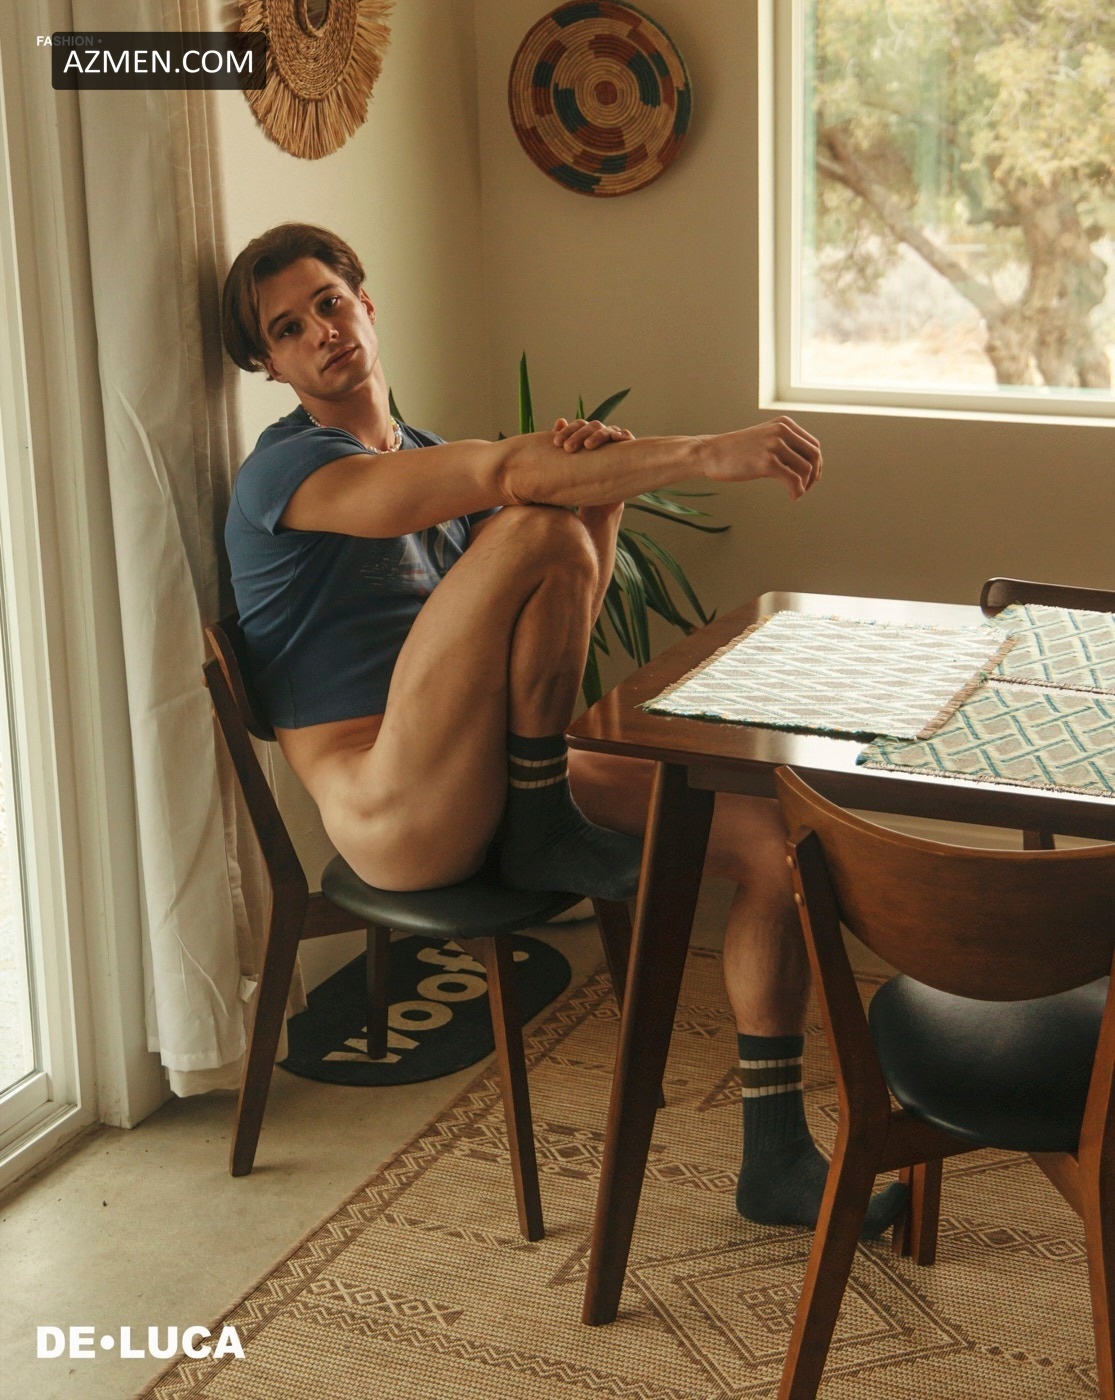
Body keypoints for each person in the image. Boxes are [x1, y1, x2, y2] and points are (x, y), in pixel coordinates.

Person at [219, 223, 906, 1236]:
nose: (319, 331)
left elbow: (548, 627)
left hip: (496, 769)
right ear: (270, 367)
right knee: (537, 519)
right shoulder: (289, 476)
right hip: (389, 810)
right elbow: (509, 479)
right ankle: (543, 817)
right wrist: (707, 452)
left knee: (770, 841)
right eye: (286, 329)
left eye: (327, 302)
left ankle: (774, 1158)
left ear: (365, 303)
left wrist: (603, 486)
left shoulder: (421, 450)